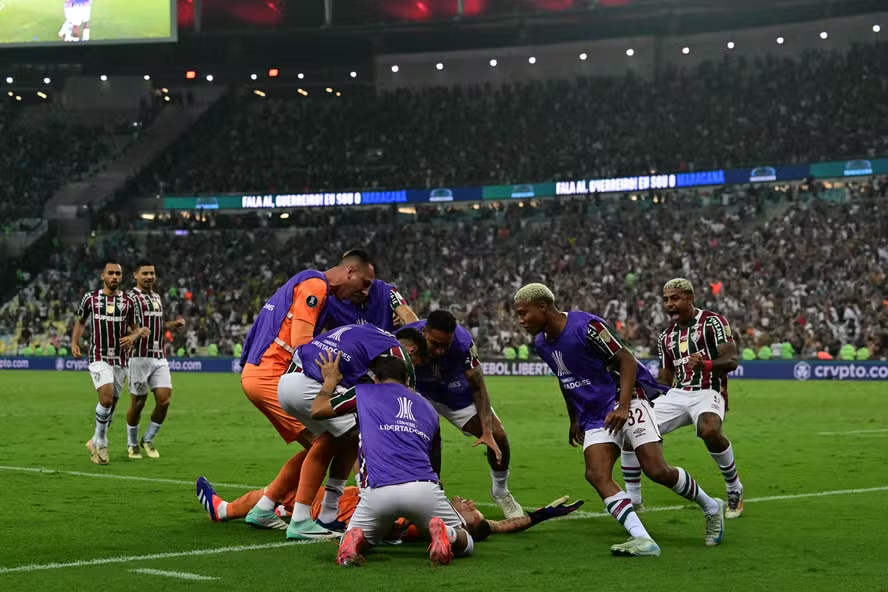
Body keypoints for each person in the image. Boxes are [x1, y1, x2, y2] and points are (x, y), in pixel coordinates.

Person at [513, 283, 725, 556]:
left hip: (628, 398)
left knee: (657, 470)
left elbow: (627, 361)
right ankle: (643, 540)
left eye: (523, 313)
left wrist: (624, 406)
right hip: (593, 413)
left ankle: (711, 506)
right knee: (596, 473)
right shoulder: (542, 343)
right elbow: (565, 380)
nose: (520, 321)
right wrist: (573, 418)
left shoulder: (587, 326)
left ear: (542, 307)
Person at [236, 250, 375, 530]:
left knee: (326, 441)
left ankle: (268, 507)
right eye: (365, 282)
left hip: (260, 372)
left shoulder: (309, 287)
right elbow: (302, 344)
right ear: (349, 271)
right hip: (271, 374)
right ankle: (297, 515)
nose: (365, 291)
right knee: (329, 439)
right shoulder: (315, 286)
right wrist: (332, 381)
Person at [309, 351, 472, 566]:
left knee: (365, 537)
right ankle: (446, 532)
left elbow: (317, 410)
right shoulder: (429, 409)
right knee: (466, 541)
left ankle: (355, 540)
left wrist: (329, 382)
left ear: (375, 379)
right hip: (422, 487)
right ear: (407, 380)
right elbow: (435, 464)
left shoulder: (363, 392)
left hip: (377, 491)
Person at [269, 323, 418, 540]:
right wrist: (329, 384)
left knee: (331, 441)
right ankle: (311, 516)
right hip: (310, 384)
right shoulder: (391, 358)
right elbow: (320, 408)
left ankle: (266, 507)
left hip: (288, 380)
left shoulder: (365, 335)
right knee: (357, 436)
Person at [621, 278, 744, 518]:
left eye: (675, 298)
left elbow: (731, 361)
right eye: (666, 299)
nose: (669, 304)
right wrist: (643, 393)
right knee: (633, 425)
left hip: (709, 390)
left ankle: (734, 488)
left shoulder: (713, 322)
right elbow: (666, 378)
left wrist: (705, 364)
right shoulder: (666, 336)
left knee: (709, 430)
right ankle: (634, 499)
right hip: (677, 394)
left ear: (690, 299)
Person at [398, 312, 523, 519]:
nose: (440, 350)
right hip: (419, 393)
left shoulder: (463, 343)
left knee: (498, 437)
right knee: (427, 440)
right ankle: (432, 494)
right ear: (423, 333)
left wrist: (486, 431)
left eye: (445, 345)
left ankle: (501, 491)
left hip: (455, 395)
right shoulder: (403, 340)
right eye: (435, 344)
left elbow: (479, 387)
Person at [72, 260, 145, 465]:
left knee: (110, 406)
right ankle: (102, 442)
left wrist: (132, 337)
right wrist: (74, 343)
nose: (114, 277)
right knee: (105, 399)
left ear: (121, 277)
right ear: (102, 276)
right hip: (99, 356)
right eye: (110, 273)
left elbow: (137, 328)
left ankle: (94, 439)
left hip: (120, 360)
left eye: (118, 274)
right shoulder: (90, 298)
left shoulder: (129, 302)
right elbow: (80, 321)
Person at [125, 260, 185, 459]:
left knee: (164, 400)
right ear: (136, 275)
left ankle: (148, 439)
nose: (149, 277)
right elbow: (121, 323)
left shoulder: (157, 297)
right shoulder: (130, 298)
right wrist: (134, 333)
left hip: (159, 357)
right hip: (139, 357)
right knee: (139, 403)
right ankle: (132, 443)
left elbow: (157, 322)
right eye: (145, 273)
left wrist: (172, 324)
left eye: (152, 273)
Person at [322, 251, 418, 332]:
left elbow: (410, 318)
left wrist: (405, 334)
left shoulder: (385, 290)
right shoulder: (328, 299)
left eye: (367, 284)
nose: (365, 292)